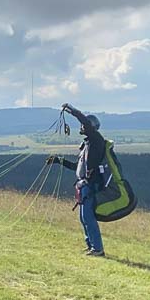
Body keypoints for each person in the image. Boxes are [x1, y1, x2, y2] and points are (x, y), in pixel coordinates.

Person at [47, 103, 107, 257]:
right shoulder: (87, 144)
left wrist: (71, 110)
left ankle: (98, 249)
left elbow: (84, 121)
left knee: (88, 217)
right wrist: (59, 161)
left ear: (91, 127)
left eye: (85, 125)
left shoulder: (96, 140)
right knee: (83, 218)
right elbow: (77, 167)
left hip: (91, 185)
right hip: (83, 185)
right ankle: (91, 245)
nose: (82, 126)